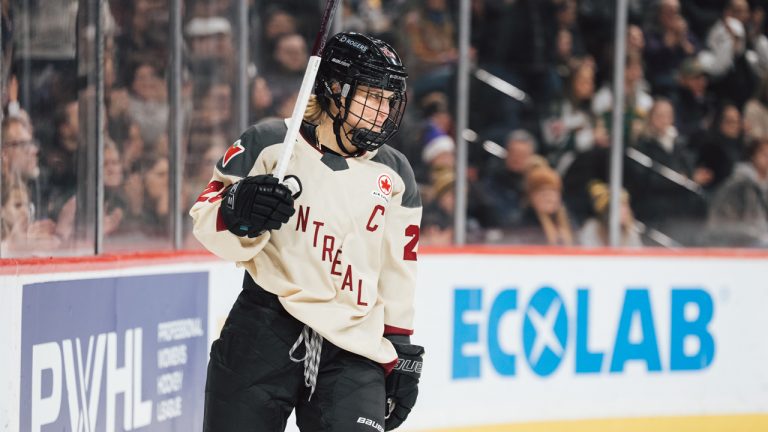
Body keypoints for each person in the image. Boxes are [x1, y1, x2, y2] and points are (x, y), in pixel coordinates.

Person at [190, 32, 424, 431]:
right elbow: (205, 219)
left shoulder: (395, 171)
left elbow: (398, 270)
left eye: (389, 100)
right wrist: (239, 210)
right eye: (372, 96)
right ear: (334, 88)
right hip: (264, 330)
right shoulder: (270, 144)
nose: (383, 111)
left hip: (354, 345)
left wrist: (400, 347)